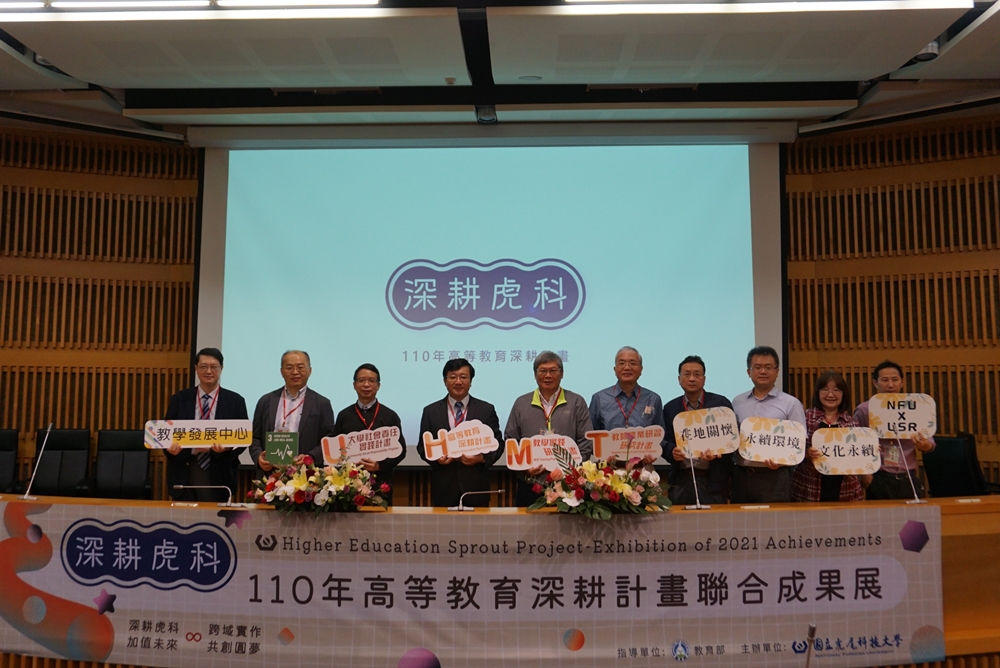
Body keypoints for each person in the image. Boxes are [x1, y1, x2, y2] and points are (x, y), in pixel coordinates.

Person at [505, 351, 594, 507]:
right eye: (542, 371)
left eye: (553, 370)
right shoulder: (521, 403)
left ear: (562, 373)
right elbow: (511, 439)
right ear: (535, 374)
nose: (548, 375)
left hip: (568, 485)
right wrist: (524, 468)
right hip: (532, 483)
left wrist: (570, 468)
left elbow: (586, 440)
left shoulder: (576, 402)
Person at [164, 347, 248, 502]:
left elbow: (243, 439)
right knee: (184, 516)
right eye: (203, 366)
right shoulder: (180, 399)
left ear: (221, 369)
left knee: (215, 517)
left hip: (219, 470)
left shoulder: (235, 401)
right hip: (185, 469)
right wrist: (170, 449)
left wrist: (227, 448)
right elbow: (166, 434)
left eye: (214, 367)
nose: (208, 371)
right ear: (196, 368)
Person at [416, 358, 503, 507]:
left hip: (476, 487)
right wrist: (436, 459)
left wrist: (481, 459)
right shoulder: (431, 411)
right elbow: (422, 447)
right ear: (445, 381)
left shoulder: (486, 410)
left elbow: (498, 444)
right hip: (444, 488)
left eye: (463, 377)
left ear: (471, 381)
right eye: (453, 377)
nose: (458, 382)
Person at [730, 346, 807, 504]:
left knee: (775, 520)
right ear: (749, 372)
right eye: (757, 367)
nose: (763, 371)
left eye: (768, 367)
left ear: (777, 371)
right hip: (741, 475)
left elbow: (800, 443)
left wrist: (782, 461)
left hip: (775, 477)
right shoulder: (737, 402)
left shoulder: (791, 403)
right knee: (740, 519)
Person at [853, 360, 936, 499]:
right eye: (885, 380)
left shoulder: (916, 407)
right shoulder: (864, 410)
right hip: (879, 477)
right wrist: (865, 475)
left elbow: (930, 443)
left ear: (902, 382)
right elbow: (855, 443)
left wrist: (925, 445)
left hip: (909, 477)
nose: (890, 385)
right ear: (875, 383)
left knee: (914, 514)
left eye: (895, 379)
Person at [249, 350, 336, 478]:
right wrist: (258, 456)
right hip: (271, 474)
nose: (295, 372)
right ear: (281, 371)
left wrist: (310, 457)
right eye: (289, 367)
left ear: (310, 370)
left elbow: (329, 439)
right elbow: (254, 437)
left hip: (306, 475)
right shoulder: (266, 401)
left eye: (300, 367)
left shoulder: (322, 403)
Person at [663, 355, 734, 505]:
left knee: (715, 519)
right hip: (681, 480)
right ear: (679, 379)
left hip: (713, 481)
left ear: (704, 379)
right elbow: (665, 441)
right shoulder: (670, 408)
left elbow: (732, 440)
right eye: (687, 374)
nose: (692, 379)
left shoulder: (721, 404)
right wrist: (672, 451)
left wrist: (719, 452)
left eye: (697, 374)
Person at [332, 363, 407, 505]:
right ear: (354, 385)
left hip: (381, 485)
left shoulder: (390, 416)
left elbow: (401, 450)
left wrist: (379, 465)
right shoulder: (344, 416)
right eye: (361, 380)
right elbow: (335, 450)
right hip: (348, 486)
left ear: (378, 386)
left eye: (371, 381)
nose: (366, 385)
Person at [790, 370, 866, 502]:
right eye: (825, 389)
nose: (830, 394)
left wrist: (870, 451)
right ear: (818, 392)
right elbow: (792, 447)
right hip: (810, 485)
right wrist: (807, 452)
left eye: (836, 390)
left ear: (843, 394)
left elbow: (858, 455)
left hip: (845, 486)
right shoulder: (806, 417)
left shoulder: (852, 423)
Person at [588, 346, 665, 462]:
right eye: (622, 363)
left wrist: (653, 453)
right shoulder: (599, 398)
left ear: (641, 369)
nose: (627, 367)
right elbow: (591, 435)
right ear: (615, 369)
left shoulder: (653, 399)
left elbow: (661, 435)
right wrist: (602, 454)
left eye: (632, 363)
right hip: (608, 467)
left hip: (643, 466)